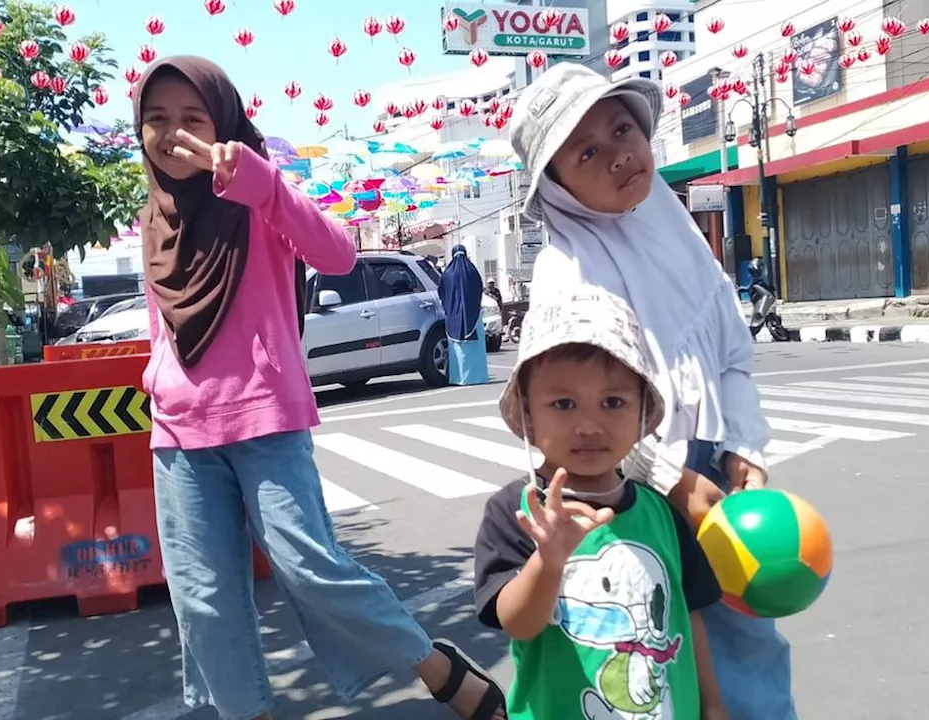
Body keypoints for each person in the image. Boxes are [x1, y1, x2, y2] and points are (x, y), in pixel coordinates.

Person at [134, 56, 506, 720]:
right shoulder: (152, 220)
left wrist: (262, 185)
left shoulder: (256, 198)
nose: (172, 135)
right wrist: (158, 386)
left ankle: (438, 667)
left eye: (193, 118)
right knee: (203, 599)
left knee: (312, 570)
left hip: (265, 420)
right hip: (180, 434)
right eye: (156, 120)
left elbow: (337, 254)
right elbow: (163, 328)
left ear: (222, 123)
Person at [509, 63, 793, 720]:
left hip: (714, 464)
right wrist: (672, 482)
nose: (618, 156)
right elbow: (587, 411)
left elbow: (729, 349)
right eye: (588, 152)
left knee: (751, 632)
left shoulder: (673, 228)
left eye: (622, 130)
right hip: (629, 489)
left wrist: (744, 447)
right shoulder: (567, 273)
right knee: (655, 645)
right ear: (557, 185)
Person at [473, 287, 726, 719]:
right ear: (529, 413)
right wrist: (547, 561)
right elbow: (518, 623)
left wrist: (712, 702)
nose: (589, 425)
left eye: (613, 402)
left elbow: (691, 615)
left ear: (642, 409)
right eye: (564, 404)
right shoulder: (517, 512)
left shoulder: (661, 513)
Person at [437, 244, 489, 385]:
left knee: (457, 350)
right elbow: (479, 289)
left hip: (453, 317)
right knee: (474, 349)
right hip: (473, 317)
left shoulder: (448, 274)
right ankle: (477, 377)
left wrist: (449, 308)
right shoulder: (472, 272)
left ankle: (459, 378)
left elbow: (441, 292)